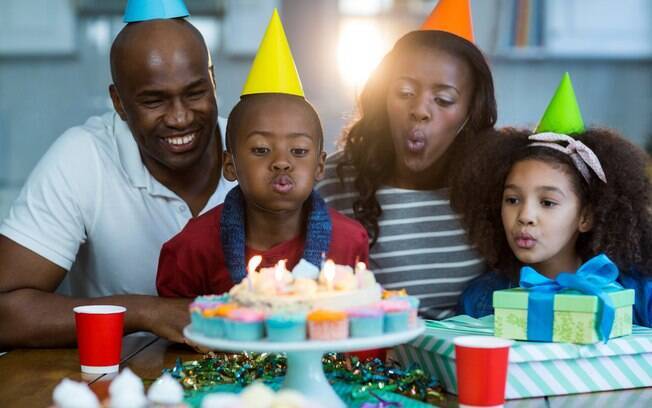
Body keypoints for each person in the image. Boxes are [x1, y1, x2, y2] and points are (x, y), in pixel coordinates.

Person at [0, 7, 235, 347]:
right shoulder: (83, 157)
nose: (180, 118)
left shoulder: (260, 153)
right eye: (154, 100)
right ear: (119, 103)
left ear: (212, 80)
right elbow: (5, 311)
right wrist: (144, 312)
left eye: (195, 93)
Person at [156, 10, 368, 297]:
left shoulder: (348, 241)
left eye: (299, 150)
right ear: (229, 165)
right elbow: (174, 332)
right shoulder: (191, 248)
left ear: (320, 166)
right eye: (261, 150)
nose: (282, 162)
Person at [316, 0, 497, 319]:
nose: (420, 110)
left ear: (470, 113)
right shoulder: (333, 178)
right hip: (364, 362)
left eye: (443, 100)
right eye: (404, 92)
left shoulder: (493, 188)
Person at [452, 74, 652, 327]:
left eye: (547, 202)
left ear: (585, 217)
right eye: (512, 199)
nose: (525, 215)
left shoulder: (640, 295)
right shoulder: (480, 301)